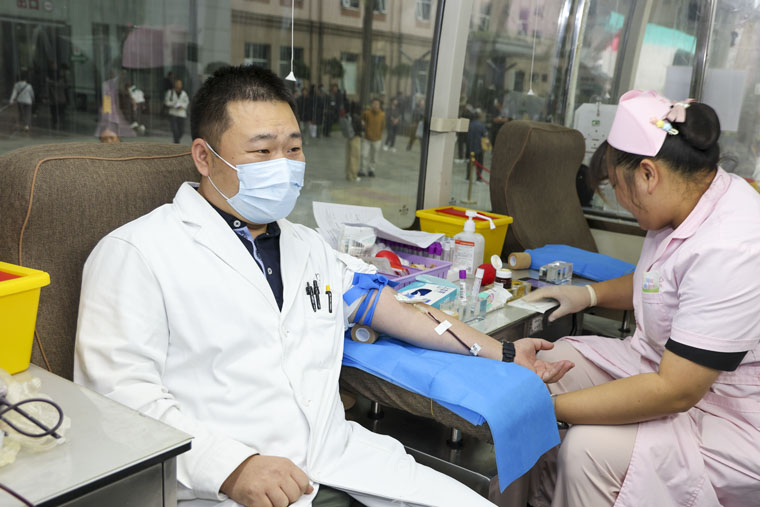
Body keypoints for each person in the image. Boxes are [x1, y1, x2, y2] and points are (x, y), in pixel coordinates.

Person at [74, 65, 572, 507]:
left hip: (339, 458)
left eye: (293, 148)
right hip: (222, 485)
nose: (284, 164)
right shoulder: (137, 253)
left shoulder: (307, 246)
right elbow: (117, 397)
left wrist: (506, 354)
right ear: (205, 158)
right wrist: (230, 467)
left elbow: (391, 306)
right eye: (262, 150)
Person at [522, 90, 760, 507]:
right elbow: (659, 281)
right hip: (661, 365)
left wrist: (552, 410)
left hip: (727, 412)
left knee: (587, 448)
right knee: (546, 367)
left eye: (618, 186)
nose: (620, 200)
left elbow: (676, 392)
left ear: (648, 174)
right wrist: (586, 294)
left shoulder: (733, 245)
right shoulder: (686, 201)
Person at [360, 98, 384, 177]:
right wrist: (364, 127)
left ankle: (371, 170)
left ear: (379, 105)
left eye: (377, 104)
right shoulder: (366, 113)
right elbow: (362, 121)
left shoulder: (382, 115)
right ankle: (362, 170)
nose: (376, 105)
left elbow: (383, 126)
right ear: (371, 104)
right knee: (364, 154)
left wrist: (379, 134)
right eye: (374, 104)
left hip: (377, 139)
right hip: (366, 138)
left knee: (374, 156)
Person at [466, 109, 488, 182]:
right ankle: (478, 178)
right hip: (479, 147)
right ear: (480, 117)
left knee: (470, 162)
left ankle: (468, 177)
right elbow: (485, 136)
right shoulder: (481, 125)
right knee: (479, 163)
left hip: (471, 147)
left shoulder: (470, 124)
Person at [165, 79, 189, 143]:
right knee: (175, 130)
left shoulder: (184, 93)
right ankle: (177, 143)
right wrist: (175, 105)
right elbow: (167, 102)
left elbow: (186, 102)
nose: (178, 85)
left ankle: (176, 141)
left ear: (181, 85)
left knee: (181, 131)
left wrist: (182, 106)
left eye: (180, 84)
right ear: (175, 84)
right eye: (177, 83)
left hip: (182, 114)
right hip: (173, 114)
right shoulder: (170, 92)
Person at [344, 100, 363, 182]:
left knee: (349, 157)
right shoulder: (357, 117)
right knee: (355, 157)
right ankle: (353, 175)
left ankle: (348, 174)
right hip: (356, 138)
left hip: (349, 137)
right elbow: (360, 128)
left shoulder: (348, 115)